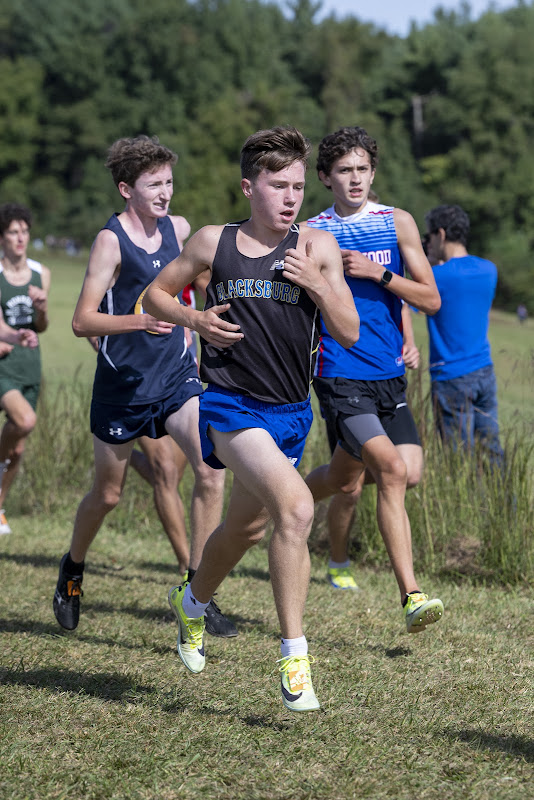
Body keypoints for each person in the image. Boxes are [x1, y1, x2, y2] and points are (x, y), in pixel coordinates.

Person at [144, 125, 359, 712]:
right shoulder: (214, 243)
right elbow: (155, 295)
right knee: (297, 508)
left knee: (245, 530)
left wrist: (318, 284)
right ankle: (294, 657)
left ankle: (191, 601)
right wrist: (195, 321)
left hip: (291, 412)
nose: (291, 198)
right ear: (248, 187)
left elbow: (348, 330)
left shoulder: (317, 247)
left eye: (298, 186)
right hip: (229, 405)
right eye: (277, 185)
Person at [52, 135, 235, 638]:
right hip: (123, 386)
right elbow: (82, 321)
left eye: (169, 182)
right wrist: (140, 321)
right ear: (125, 189)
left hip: (176, 376)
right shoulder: (110, 242)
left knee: (210, 468)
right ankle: (72, 569)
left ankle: (197, 591)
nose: (165, 193)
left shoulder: (180, 229)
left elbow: (200, 285)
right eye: (154, 184)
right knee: (108, 495)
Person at [304, 126, 444, 633]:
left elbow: (431, 299)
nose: (355, 178)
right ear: (325, 177)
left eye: (362, 168)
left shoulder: (396, 222)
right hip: (339, 373)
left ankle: (288, 496)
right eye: (344, 170)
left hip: (389, 375)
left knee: (354, 478)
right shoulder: (312, 232)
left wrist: (377, 273)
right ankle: (411, 595)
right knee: (391, 468)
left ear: (373, 172)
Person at [318, 302, 424, 591]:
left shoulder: (391, 269)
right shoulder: (334, 268)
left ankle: (289, 496)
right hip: (345, 376)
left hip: (388, 376)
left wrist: (409, 343)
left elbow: (404, 305)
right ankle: (340, 563)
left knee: (409, 472)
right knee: (353, 487)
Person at [424, 204, 504, 466]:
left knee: (457, 458)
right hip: (484, 370)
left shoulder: (435, 277)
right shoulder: (489, 269)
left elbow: (412, 302)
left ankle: (461, 494)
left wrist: (427, 266)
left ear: (441, 234)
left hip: (451, 376)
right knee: (491, 449)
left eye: (430, 236)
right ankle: (500, 493)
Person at [0, 203, 50, 535]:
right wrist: (12, 336)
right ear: (2, 238)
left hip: (30, 364)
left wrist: (41, 309)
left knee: (17, 447)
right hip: (3, 366)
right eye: (13, 232)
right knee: (25, 420)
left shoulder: (40, 273)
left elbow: (42, 326)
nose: (20, 238)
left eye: (25, 231)